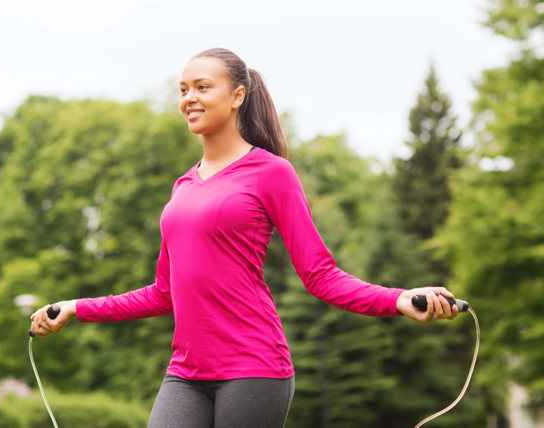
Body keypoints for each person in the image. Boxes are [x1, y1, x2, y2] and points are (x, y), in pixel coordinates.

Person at [29, 47, 459, 428]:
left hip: (253, 368)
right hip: (186, 373)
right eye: (182, 89)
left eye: (202, 86)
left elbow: (320, 275)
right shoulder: (182, 187)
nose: (189, 99)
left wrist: (397, 298)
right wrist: (77, 308)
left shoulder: (270, 172)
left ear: (237, 96)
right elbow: (164, 293)